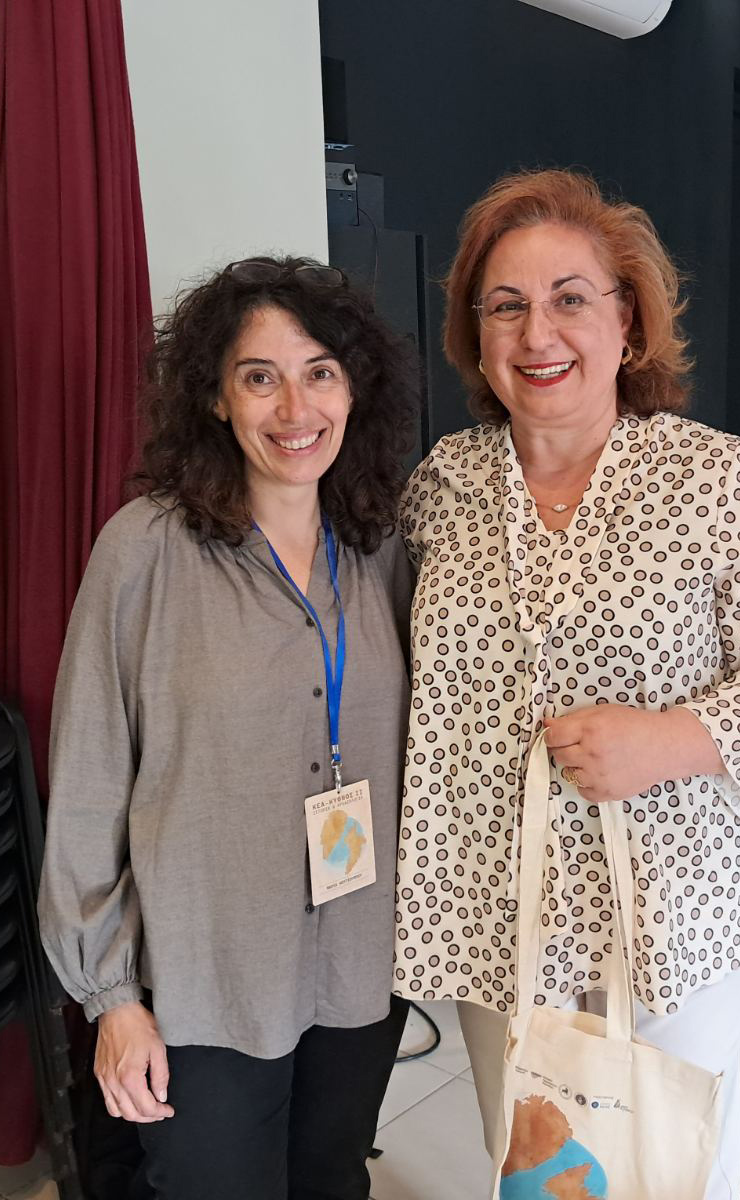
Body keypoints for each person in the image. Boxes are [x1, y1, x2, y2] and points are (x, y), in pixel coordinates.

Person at [393, 170, 740, 1198]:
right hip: (494, 909)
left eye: (569, 298)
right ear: (475, 335)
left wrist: (668, 740)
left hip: (671, 911)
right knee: (535, 1162)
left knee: (668, 1164)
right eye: (504, 306)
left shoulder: (718, 478)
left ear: (628, 321)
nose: (536, 333)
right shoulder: (442, 488)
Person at [39, 256, 417, 1200]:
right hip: (203, 982)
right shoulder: (145, 550)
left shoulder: (381, 547)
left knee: (329, 1179)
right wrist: (112, 999)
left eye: (319, 372)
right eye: (259, 377)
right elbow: (87, 785)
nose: (295, 407)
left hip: (356, 965)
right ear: (214, 397)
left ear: (353, 390)